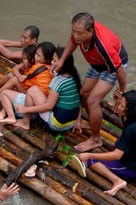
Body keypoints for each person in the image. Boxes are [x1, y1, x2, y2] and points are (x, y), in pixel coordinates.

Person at [51, 12, 129, 152]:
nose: (75, 36)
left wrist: (122, 92)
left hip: (112, 66)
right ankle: (94, 122)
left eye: (79, 33)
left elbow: (120, 70)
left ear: (90, 31)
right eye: (73, 31)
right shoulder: (78, 34)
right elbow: (72, 42)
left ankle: (95, 139)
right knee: (83, 93)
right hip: (96, 63)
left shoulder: (104, 47)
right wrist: (62, 60)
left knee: (93, 100)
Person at [76, 90, 136, 196]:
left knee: (92, 161)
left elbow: (116, 155)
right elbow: (122, 115)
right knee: (118, 142)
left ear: (129, 109)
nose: (118, 107)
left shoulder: (131, 128)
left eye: (121, 105)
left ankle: (117, 181)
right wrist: (117, 100)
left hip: (134, 167)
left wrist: (89, 154)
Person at [0, 42, 56, 125]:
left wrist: (19, 77)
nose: (35, 56)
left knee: (11, 83)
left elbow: (25, 83)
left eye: (38, 55)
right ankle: (1, 109)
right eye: (35, 53)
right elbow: (16, 69)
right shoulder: (45, 66)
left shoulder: (37, 66)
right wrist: (19, 76)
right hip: (38, 99)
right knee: (13, 77)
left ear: (46, 60)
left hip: (33, 100)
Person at [14, 47, 81, 131]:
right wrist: (78, 121)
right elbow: (78, 101)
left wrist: (25, 109)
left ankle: (25, 122)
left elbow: (49, 106)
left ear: (62, 64)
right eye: (52, 60)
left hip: (56, 124)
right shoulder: (74, 77)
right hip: (71, 123)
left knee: (33, 90)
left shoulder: (58, 81)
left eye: (55, 61)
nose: (52, 62)